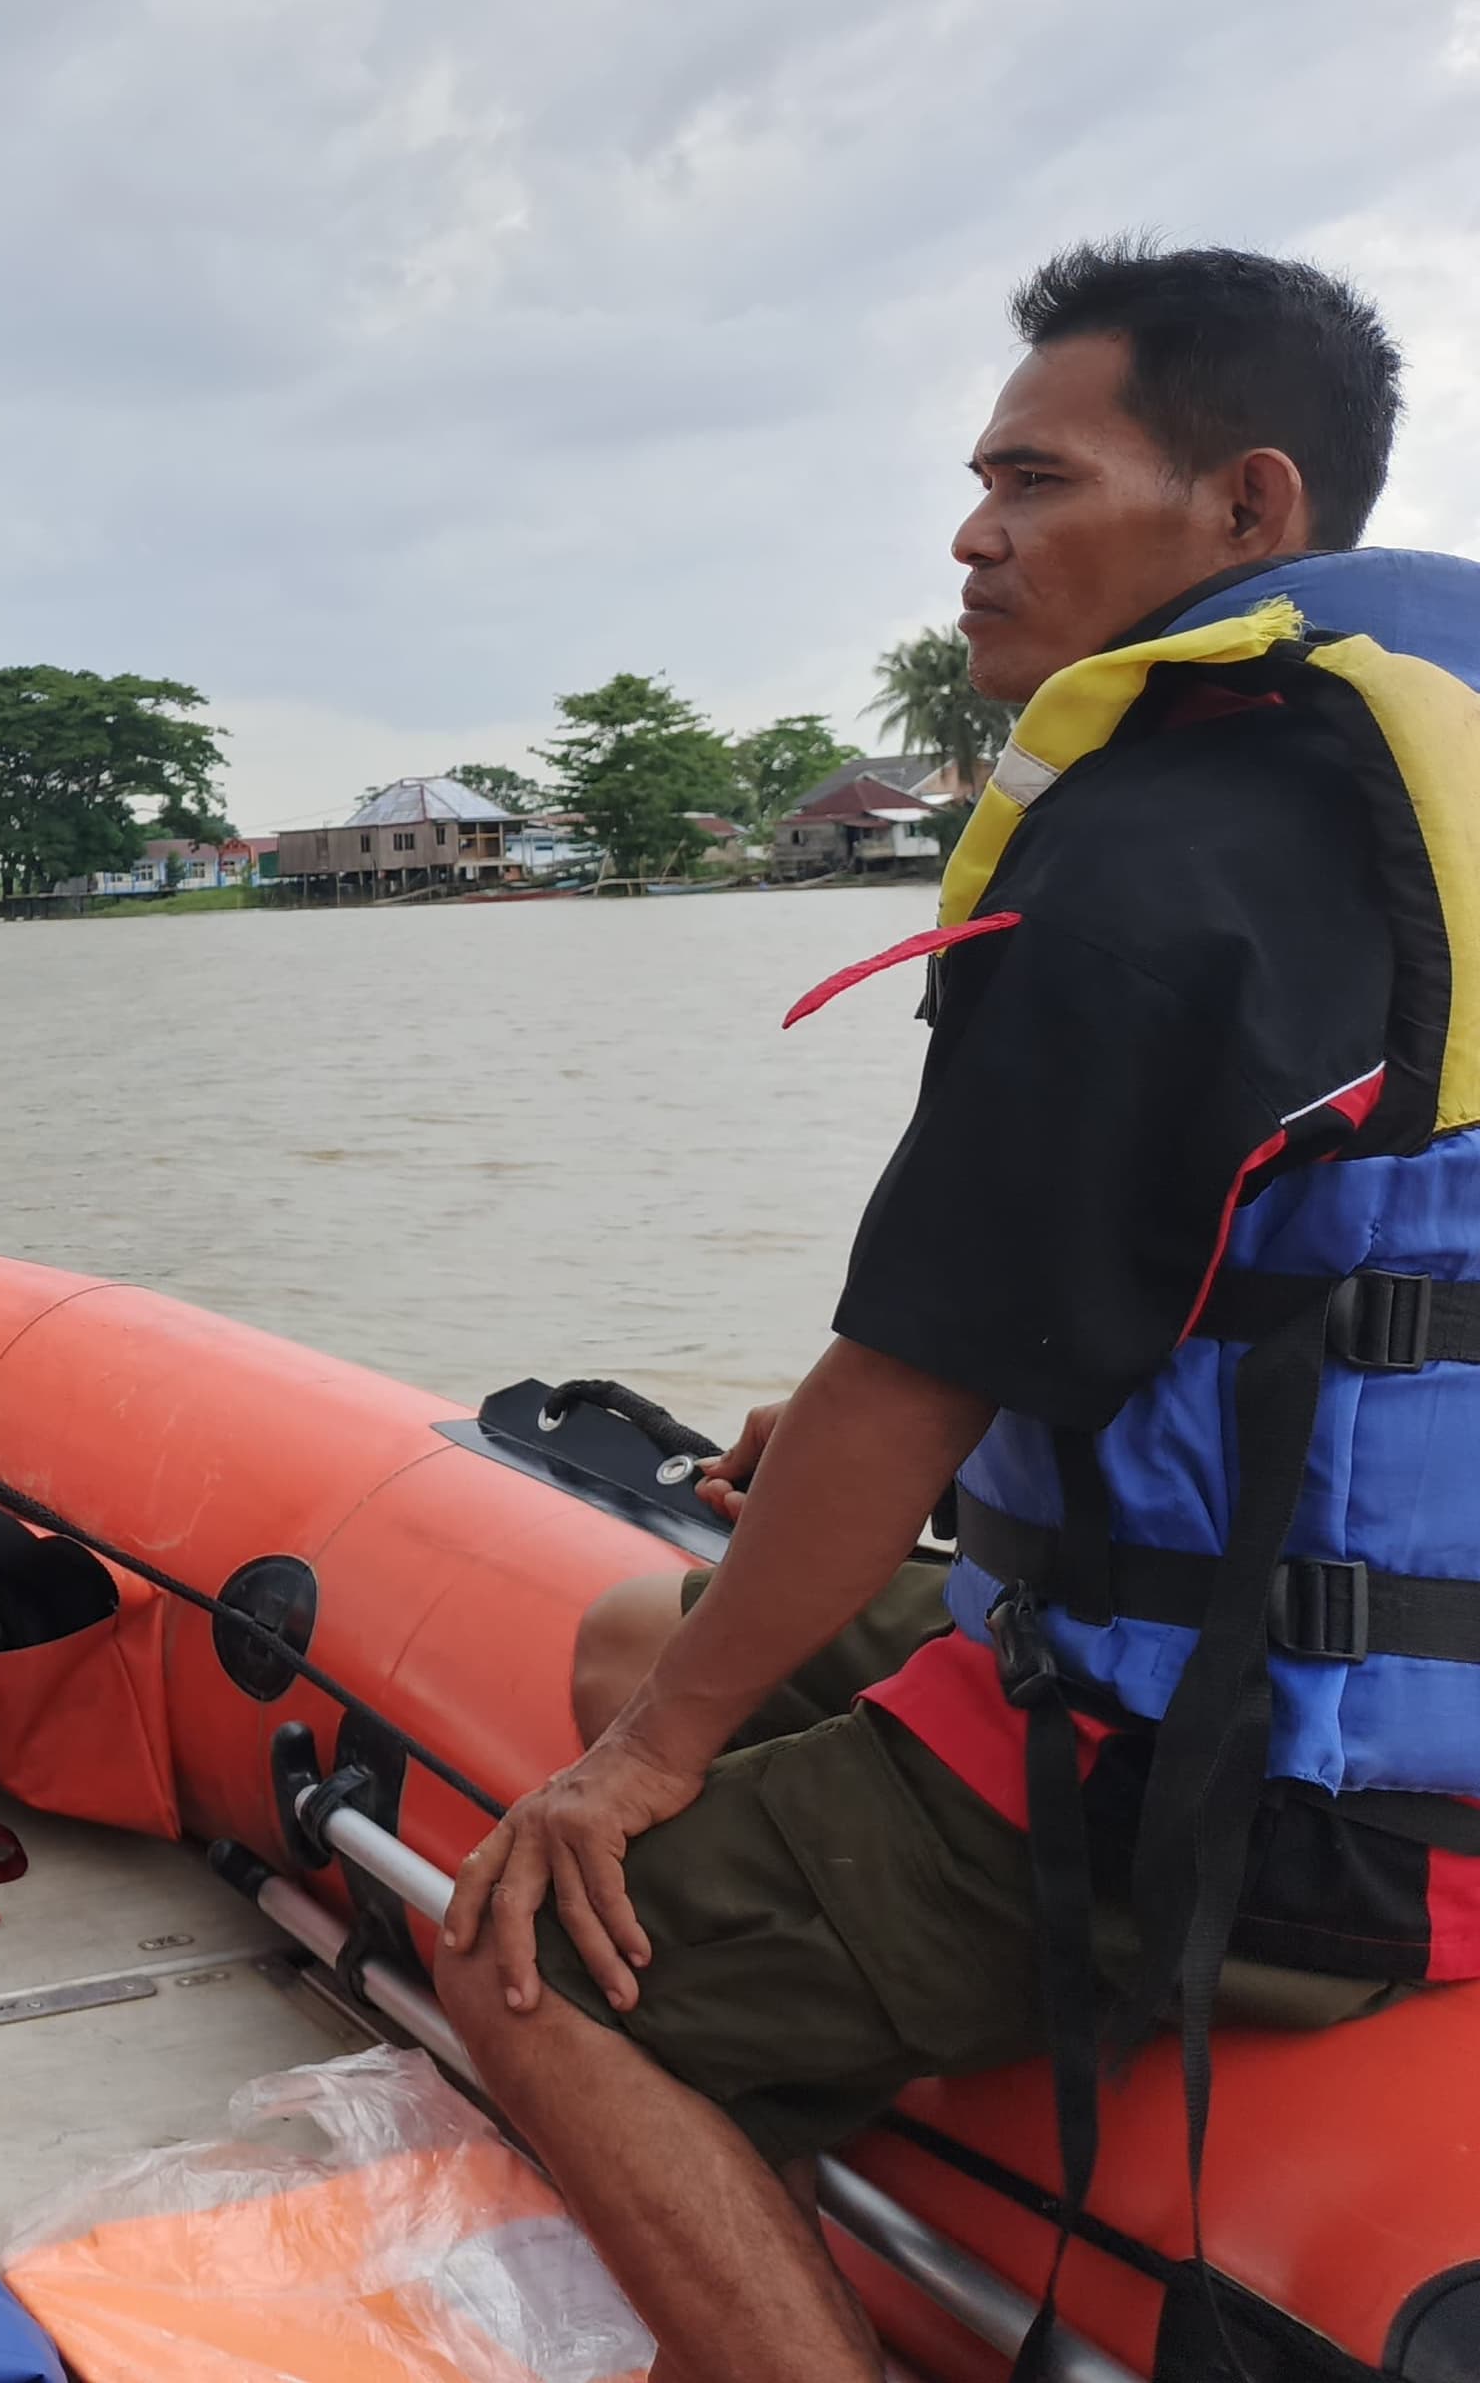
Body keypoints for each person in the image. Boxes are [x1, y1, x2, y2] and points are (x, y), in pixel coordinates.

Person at [439, 245, 1480, 2383]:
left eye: (1033, 476)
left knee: (526, 1958)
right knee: (649, 1630)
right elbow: (1269, 1303)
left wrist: (633, 1781)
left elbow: (909, 1378)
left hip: (1253, 1810)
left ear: (1249, 509)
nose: (970, 535)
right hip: (1364, 1710)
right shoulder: (1400, 817)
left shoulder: (1153, 860)